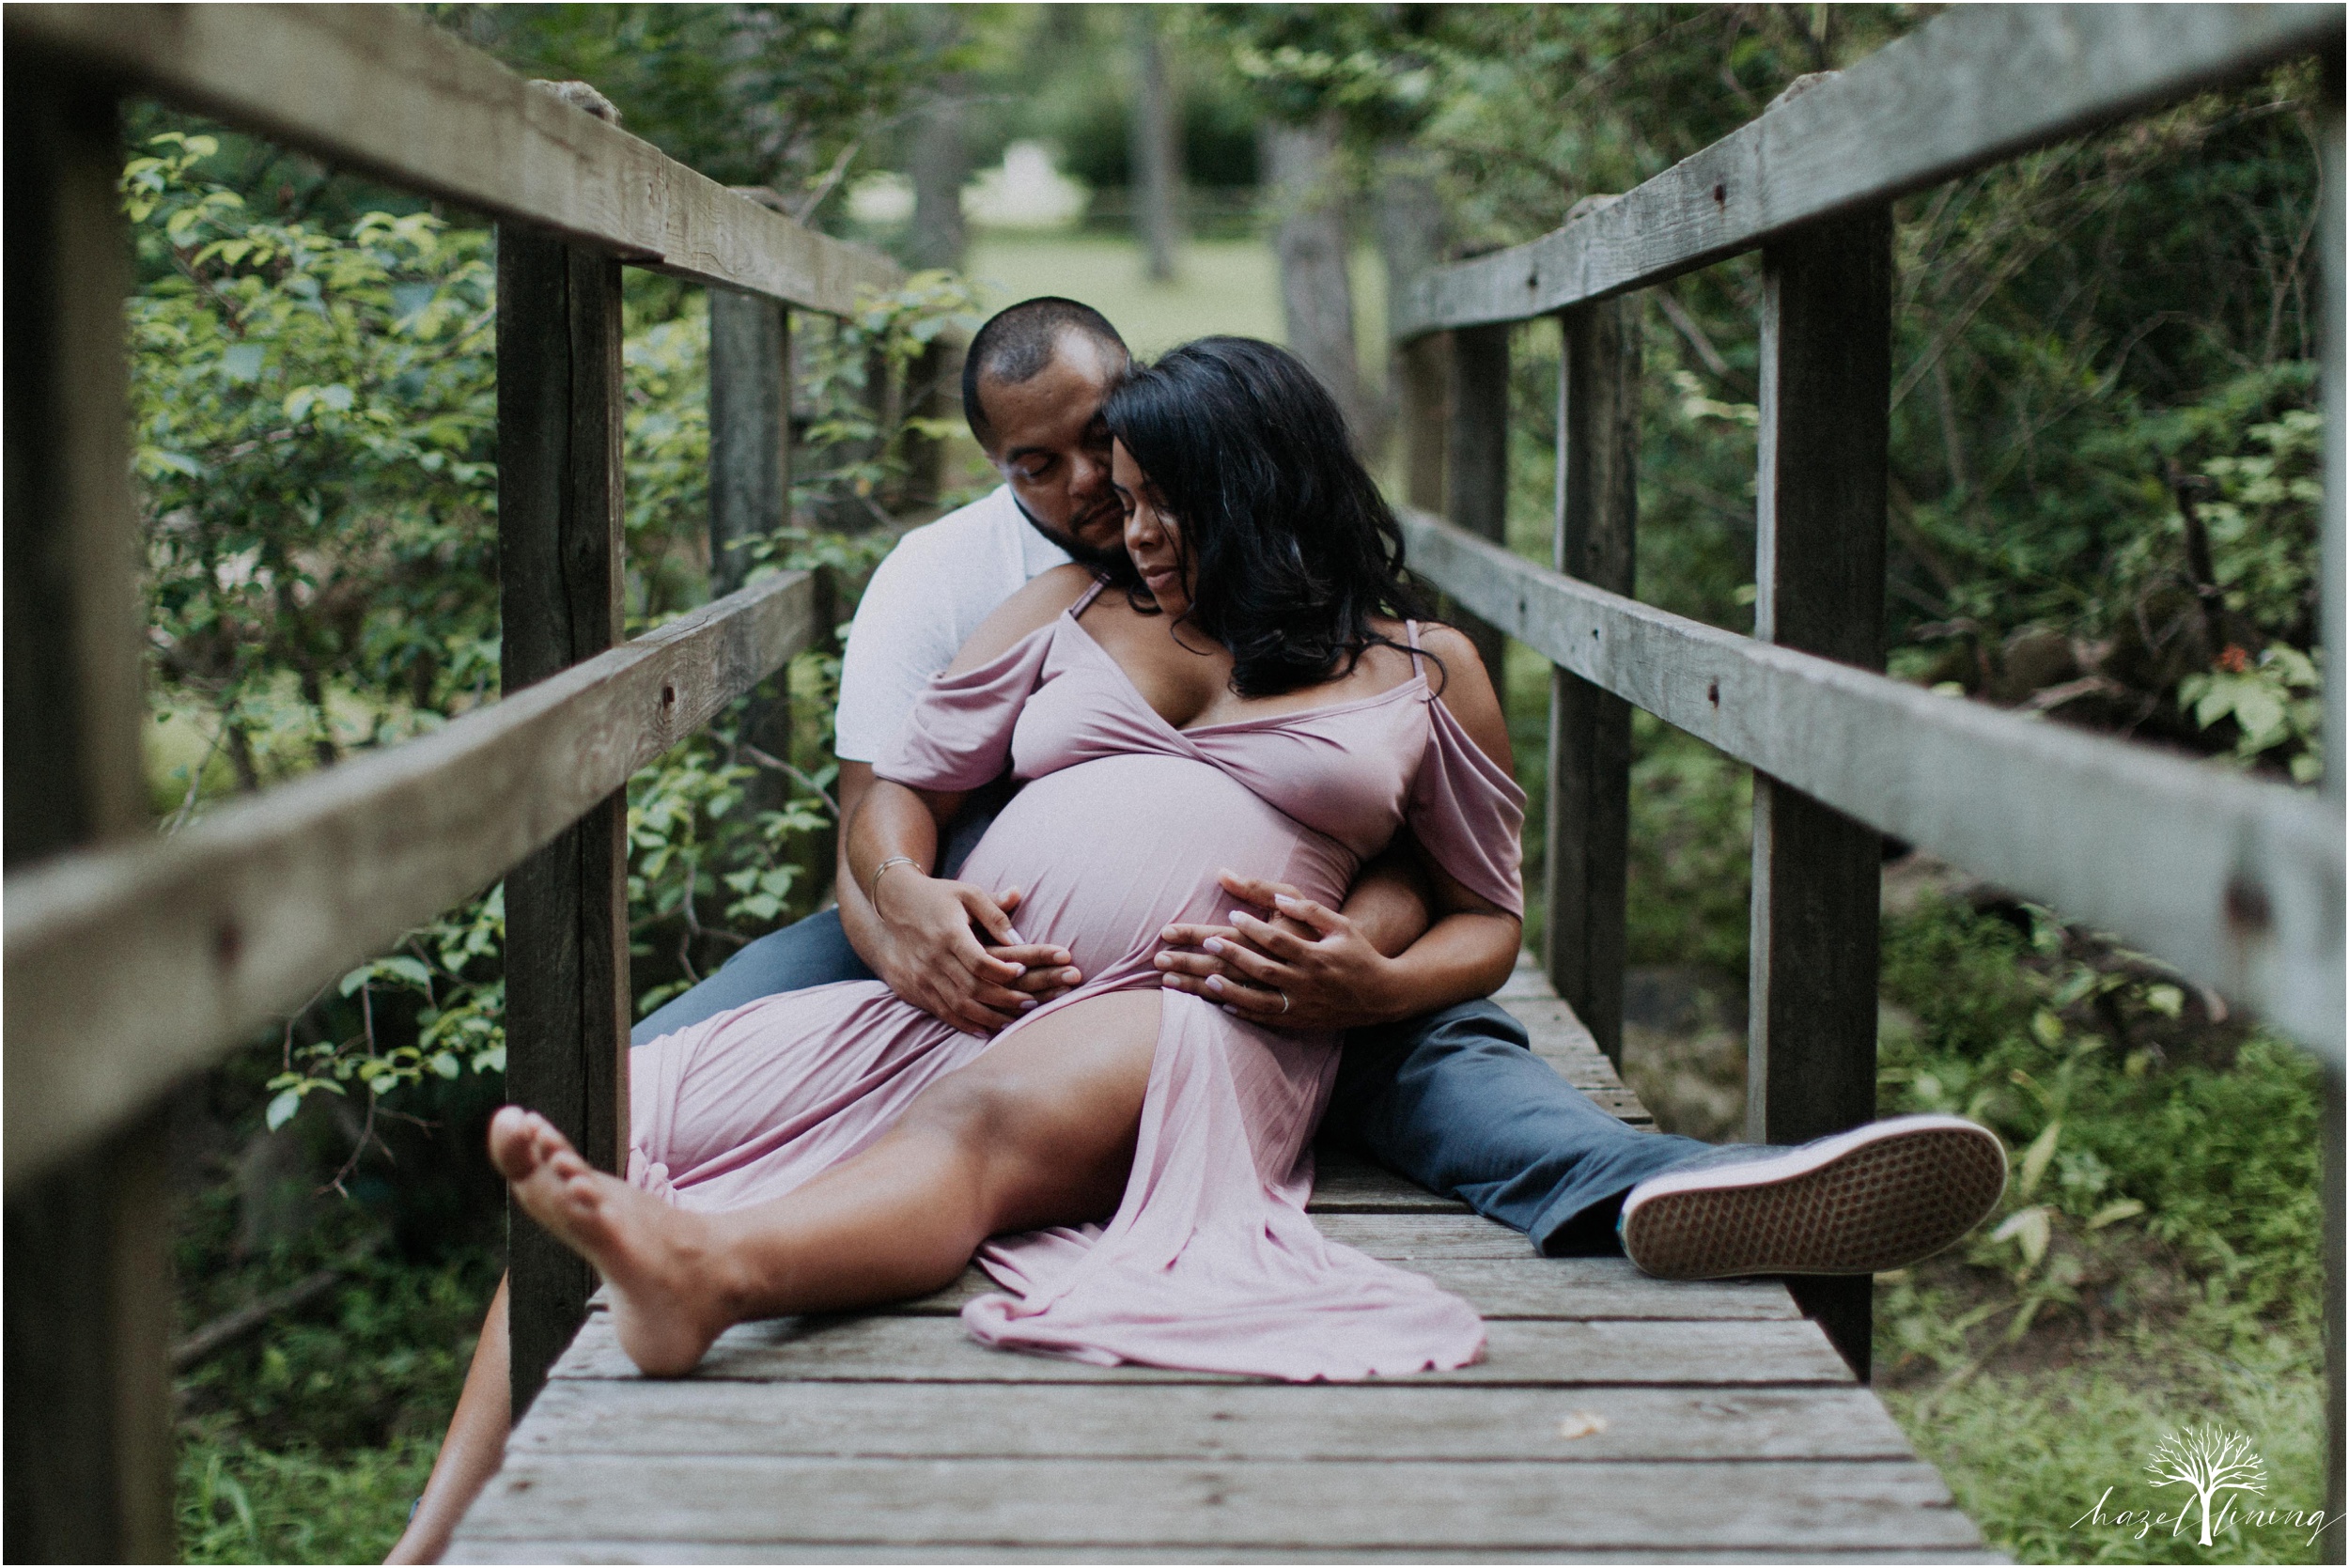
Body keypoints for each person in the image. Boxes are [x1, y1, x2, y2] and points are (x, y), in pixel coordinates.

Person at [386, 319, 2005, 1562]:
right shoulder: (1061, 613)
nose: (1125, 527)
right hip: (956, 1003)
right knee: (639, 1111)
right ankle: (438, 1531)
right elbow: (895, 803)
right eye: (1107, 494)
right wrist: (924, 903)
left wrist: (1373, 978)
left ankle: (710, 1278)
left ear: (1256, 487)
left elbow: (1487, 917)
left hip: (1189, 1021)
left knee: (1011, 1117)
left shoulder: (1423, 670)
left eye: (1158, 497)